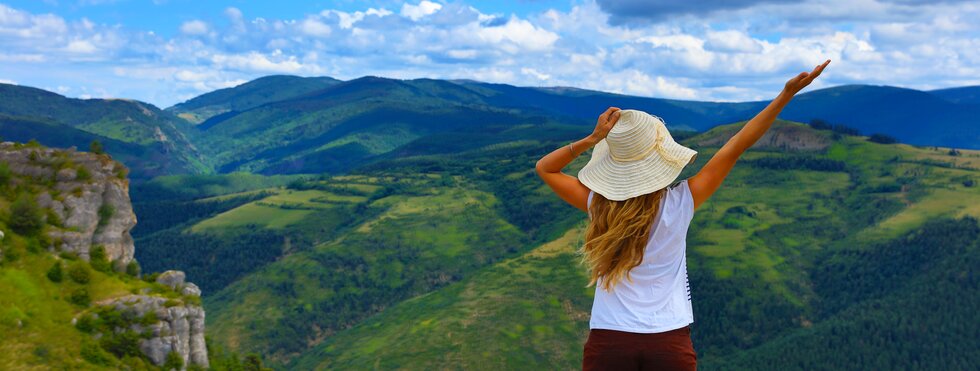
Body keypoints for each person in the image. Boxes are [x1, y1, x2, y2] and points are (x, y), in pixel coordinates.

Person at [535, 59, 831, 370]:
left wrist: (591, 139)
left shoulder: (600, 204)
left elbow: (545, 168)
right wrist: (786, 95)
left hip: (609, 339)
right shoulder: (682, 201)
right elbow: (738, 144)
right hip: (668, 339)